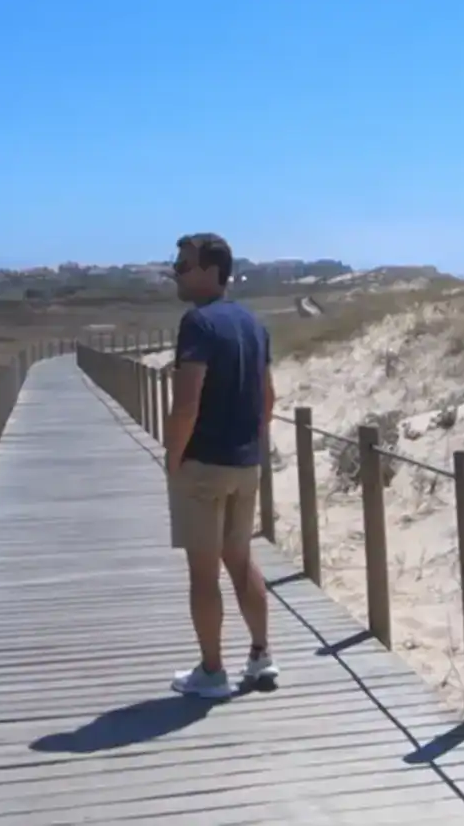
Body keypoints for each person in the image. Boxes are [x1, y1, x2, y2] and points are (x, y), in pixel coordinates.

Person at [162, 231, 277, 700]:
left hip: (205, 465)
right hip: (245, 463)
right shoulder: (253, 323)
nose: (176, 271)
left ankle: (212, 671)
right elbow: (268, 397)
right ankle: (261, 656)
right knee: (241, 558)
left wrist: (173, 459)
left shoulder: (198, 324)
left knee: (204, 571)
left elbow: (186, 404)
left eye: (184, 264)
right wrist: (251, 442)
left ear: (212, 271)